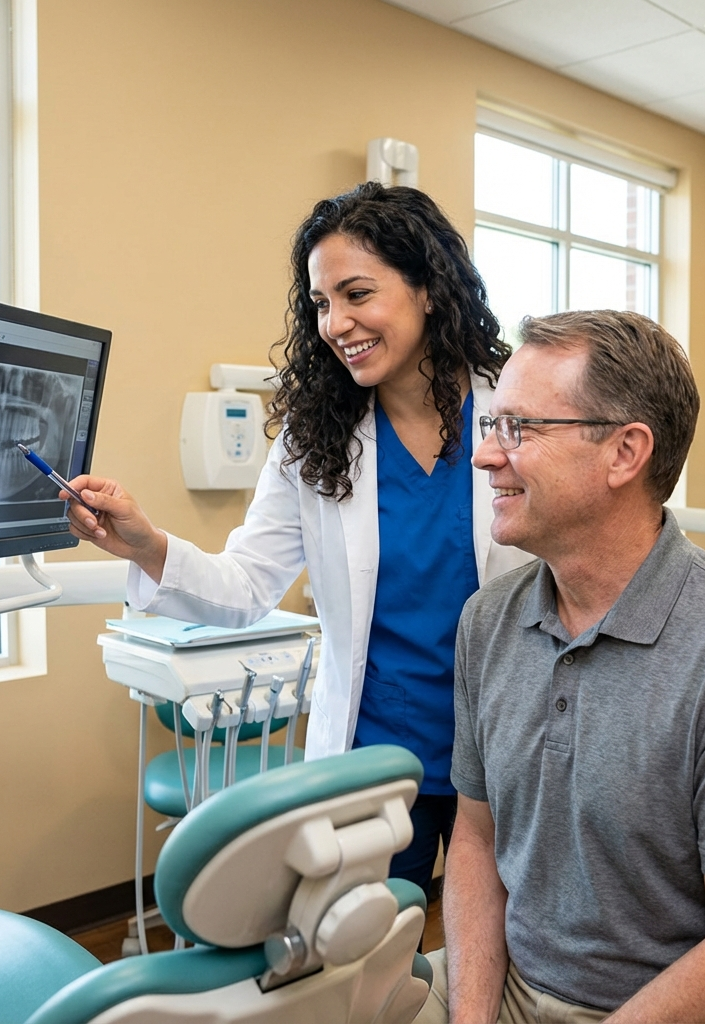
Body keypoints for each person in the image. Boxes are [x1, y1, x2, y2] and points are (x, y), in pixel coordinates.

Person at [62, 183, 531, 896]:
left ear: (430, 289)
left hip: (506, 756)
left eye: (357, 294)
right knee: (358, 965)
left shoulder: (519, 412)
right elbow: (246, 587)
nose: (336, 323)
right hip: (373, 760)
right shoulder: (318, 443)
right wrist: (145, 545)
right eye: (320, 303)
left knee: (511, 961)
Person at [418, 310, 705, 1024]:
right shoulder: (486, 622)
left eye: (519, 428)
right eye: (492, 425)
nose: (486, 456)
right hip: (511, 984)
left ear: (624, 452)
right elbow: (477, 843)